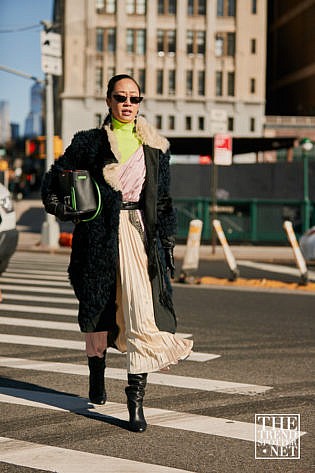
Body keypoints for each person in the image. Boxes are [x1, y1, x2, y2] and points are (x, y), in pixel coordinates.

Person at [41, 74, 193, 432]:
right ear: (108, 101)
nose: (128, 103)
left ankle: (135, 400)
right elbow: (54, 182)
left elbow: (165, 202)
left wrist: (168, 243)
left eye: (134, 98)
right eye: (120, 97)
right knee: (99, 313)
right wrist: (66, 208)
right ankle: (96, 371)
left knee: (142, 315)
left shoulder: (155, 147)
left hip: (141, 239)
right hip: (98, 238)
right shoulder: (89, 142)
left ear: (140, 102)